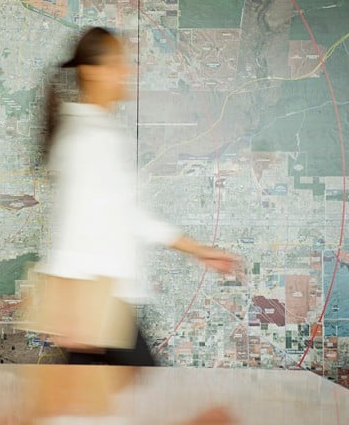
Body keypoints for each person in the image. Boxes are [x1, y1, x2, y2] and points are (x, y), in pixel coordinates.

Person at [32, 27, 241, 367]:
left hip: (104, 302)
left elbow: (127, 214)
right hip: (98, 303)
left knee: (96, 407)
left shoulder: (94, 131)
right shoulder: (89, 137)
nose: (129, 71)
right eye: (118, 63)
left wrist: (199, 250)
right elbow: (74, 222)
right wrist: (68, 309)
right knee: (129, 401)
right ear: (91, 72)